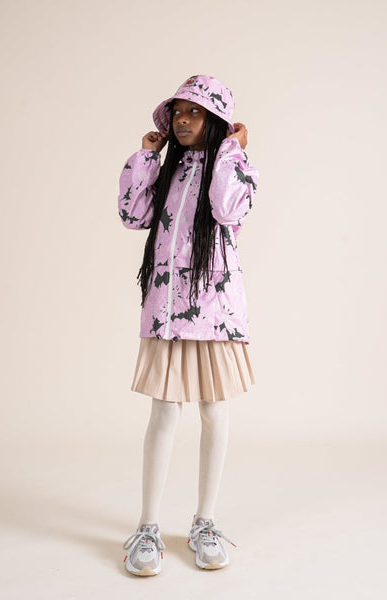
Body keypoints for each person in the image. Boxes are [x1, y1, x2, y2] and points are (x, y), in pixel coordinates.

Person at [117, 75, 259, 576]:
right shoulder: (168, 170)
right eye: (178, 111)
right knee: (163, 412)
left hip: (214, 309)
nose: (182, 120)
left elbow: (226, 207)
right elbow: (132, 214)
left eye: (194, 112)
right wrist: (146, 157)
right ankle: (148, 526)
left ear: (216, 120)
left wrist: (231, 151)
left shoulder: (234, 168)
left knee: (214, 411)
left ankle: (205, 522)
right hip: (166, 309)